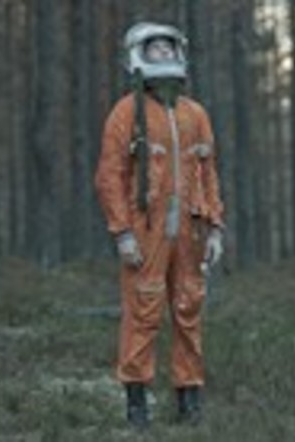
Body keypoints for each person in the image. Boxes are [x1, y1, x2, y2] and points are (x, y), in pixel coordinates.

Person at [94, 22, 224, 429]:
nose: (165, 54)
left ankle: (190, 402)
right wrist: (122, 232)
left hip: (191, 229)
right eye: (156, 49)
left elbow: (208, 173)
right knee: (142, 312)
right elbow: (109, 177)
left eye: (170, 48)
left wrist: (215, 227)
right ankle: (137, 407)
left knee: (189, 309)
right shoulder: (126, 113)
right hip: (144, 229)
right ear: (138, 55)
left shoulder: (194, 114)